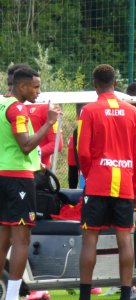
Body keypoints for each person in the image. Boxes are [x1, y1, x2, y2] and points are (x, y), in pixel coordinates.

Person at [77, 64, 136, 300]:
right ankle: (126, 294)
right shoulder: (133, 112)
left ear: (95, 85)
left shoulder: (89, 111)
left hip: (97, 183)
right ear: (115, 84)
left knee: (89, 240)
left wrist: (92, 172)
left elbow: (82, 152)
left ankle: (84, 296)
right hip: (125, 183)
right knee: (125, 239)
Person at [0, 66, 61, 300]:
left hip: (2, 175)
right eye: (36, 87)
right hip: (18, 179)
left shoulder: (2, 104)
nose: (38, 91)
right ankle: (13, 295)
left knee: (3, 237)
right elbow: (26, 145)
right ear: (22, 86)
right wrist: (48, 122)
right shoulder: (17, 110)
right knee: (22, 238)